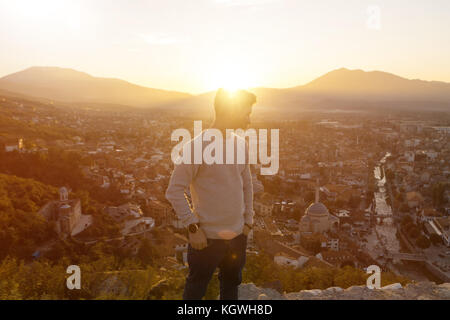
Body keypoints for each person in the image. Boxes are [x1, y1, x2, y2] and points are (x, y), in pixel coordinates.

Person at [166, 88, 256, 300]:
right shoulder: (197, 146)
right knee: (196, 290)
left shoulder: (240, 144)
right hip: (206, 239)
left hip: (237, 236)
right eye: (246, 113)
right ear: (231, 112)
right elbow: (174, 190)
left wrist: (248, 222)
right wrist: (193, 227)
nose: (249, 120)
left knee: (231, 286)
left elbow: (247, 184)